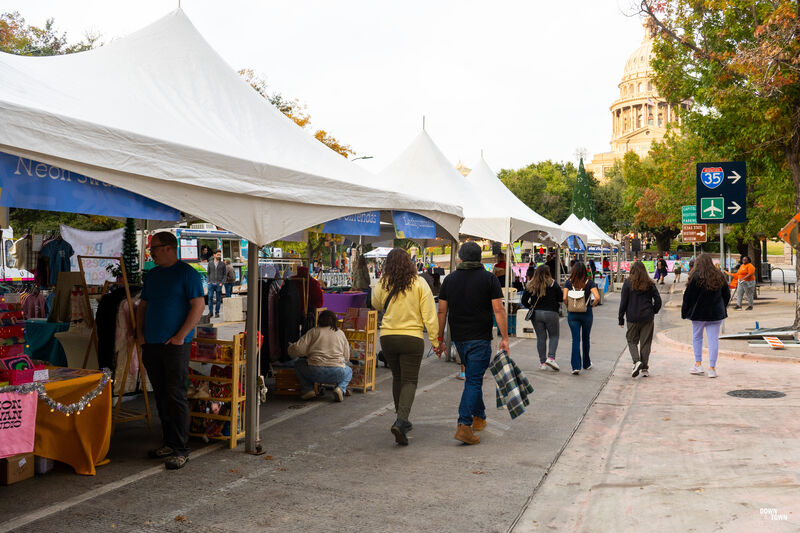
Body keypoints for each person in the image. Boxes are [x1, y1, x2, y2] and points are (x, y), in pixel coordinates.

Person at [136, 232, 204, 470]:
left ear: (168, 248)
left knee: (175, 395)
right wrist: (140, 334)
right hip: (151, 343)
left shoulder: (187, 274)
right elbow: (143, 306)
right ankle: (169, 441)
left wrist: (180, 336)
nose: (150, 252)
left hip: (175, 345)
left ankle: (181, 449)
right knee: (162, 394)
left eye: (153, 248)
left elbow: (198, 306)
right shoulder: (153, 275)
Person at [435, 242, 509, 446]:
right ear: (479, 259)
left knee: (472, 376)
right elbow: (498, 309)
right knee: (474, 381)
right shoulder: (489, 278)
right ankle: (464, 425)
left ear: (460, 258)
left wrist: (440, 339)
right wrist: (505, 338)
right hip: (480, 337)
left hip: (459, 338)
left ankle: (479, 417)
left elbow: (442, 311)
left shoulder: (449, 280)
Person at [371, 248, 439, 446]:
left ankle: (401, 417)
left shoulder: (383, 283)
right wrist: (435, 341)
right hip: (412, 338)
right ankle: (401, 421)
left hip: (388, 337)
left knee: (397, 377)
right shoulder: (419, 283)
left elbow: (375, 304)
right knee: (409, 380)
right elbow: (429, 314)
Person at [681, 254, 731, 378]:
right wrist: (722, 306)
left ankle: (698, 364)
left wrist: (685, 311)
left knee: (697, 338)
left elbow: (688, 297)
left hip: (698, 313)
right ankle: (712, 368)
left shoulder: (695, 276)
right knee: (713, 340)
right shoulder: (719, 275)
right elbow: (726, 294)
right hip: (715, 313)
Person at [289, 310, 352, 402]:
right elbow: (346, 356)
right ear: (335, 321)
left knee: (299, 364)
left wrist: (290, 349)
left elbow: (299, 350)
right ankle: (340, 389)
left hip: (314, 372)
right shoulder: (340, 333)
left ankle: (308, 390)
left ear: (319, 320)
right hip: (337, 373)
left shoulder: (313, 332)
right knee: (349, 371)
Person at [618, 261, 662, 378]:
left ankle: (636, 361)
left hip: (632, 317)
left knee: (631, 340)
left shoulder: (628, 283)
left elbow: (623, 302)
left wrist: (621, 318)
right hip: (647, 317)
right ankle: (644, 368)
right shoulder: (650, 283)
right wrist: (653, 311)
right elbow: (658, 300)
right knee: (645, 342)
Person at [521, 264, 561, 371]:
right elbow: (561, 298)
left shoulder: (531, 284)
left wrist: (531, 306)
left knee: (541, 337)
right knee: (554, 336)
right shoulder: (553, 284)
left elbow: (523, 301)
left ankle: (542, 363)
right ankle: (551, 358)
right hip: (551, 313)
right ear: (548, 273)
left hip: (536, 314)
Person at [562, 261, 600, 375]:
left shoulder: (568, 283)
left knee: (575, 339)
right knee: (586, 338)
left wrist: (569, 306)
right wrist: (591, 305)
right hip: (586, 313)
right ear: (585, 271)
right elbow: (597, 297)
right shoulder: (589, 283)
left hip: (573, 313)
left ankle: (575, 366)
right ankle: (586, 363)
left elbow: (564, 298)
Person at [206, 249, 226, 318]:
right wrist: (208, 282)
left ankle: (217, 312)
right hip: (211, 284)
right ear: (214, 255)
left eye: (220, 255)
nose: (219, 256)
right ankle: (210, 312)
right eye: (218, 255)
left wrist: (222, 283)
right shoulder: (210, 263)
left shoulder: (223, 264)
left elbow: (224, 274)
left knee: (218, 299)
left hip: (218, 284)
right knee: (210, 298)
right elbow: (208, 273)